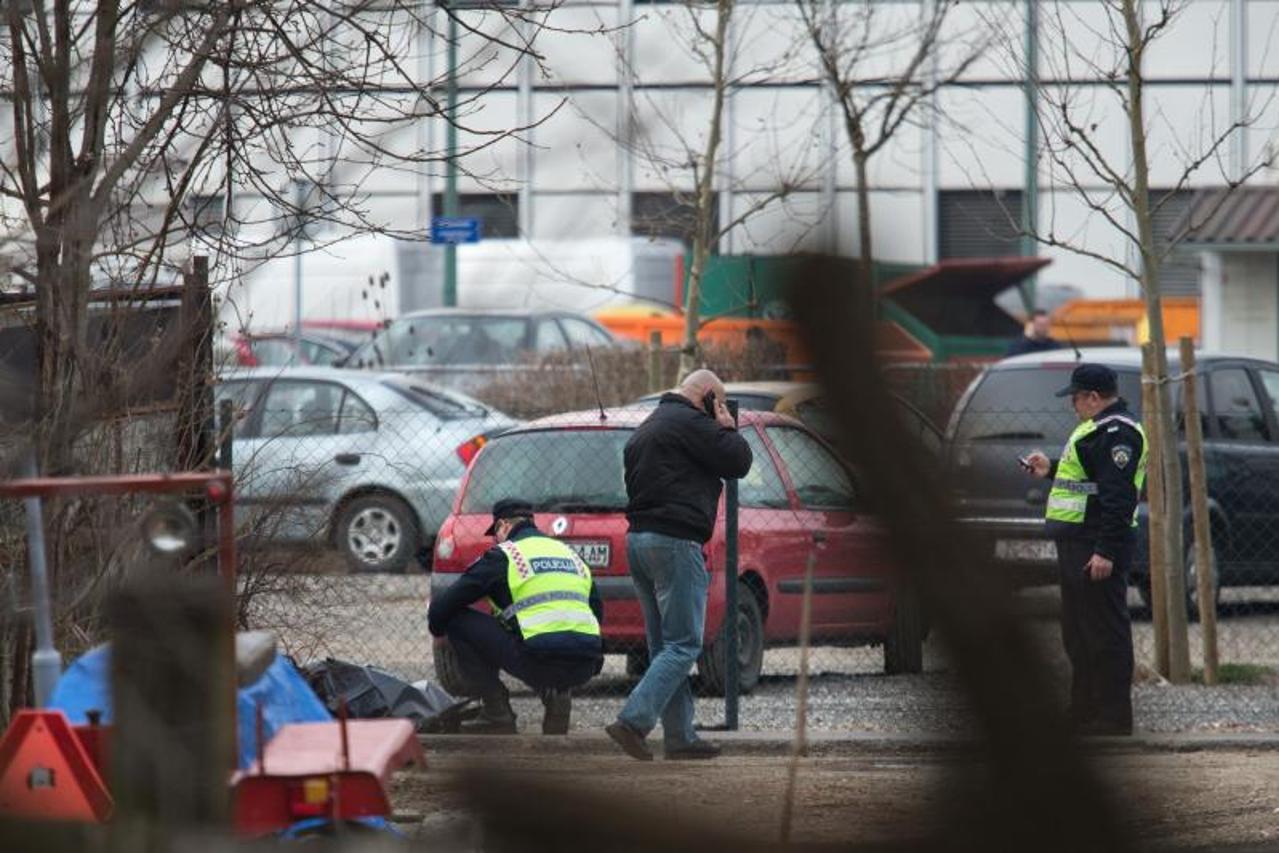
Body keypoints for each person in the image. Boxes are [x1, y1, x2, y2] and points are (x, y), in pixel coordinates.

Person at [605, 369, 753, 761]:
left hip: (638, 542)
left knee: (663, 647)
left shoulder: (648, 428)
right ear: (707, 398)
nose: (717, 411)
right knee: (685, 643)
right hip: (674, 542)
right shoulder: (693, 424)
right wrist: (726, 428)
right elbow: (739, 462)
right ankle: (633, 721)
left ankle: (680, 737)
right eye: (717, 403)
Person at [1023, 363, 1147, 736]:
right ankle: (1084, 710)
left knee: (1103, 632)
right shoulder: (1096, 430)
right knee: (1078, 632)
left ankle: (1111, 717)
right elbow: (1091, 480)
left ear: (1093, 397)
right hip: (1078, 543)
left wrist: (1106, 551)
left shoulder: (1117, 433)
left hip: (1095, 545)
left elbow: (1118, 498)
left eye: (1075, 398)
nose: (1072, 405)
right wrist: (1051, 470)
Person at [427, 498, 604, 735]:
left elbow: (443, 607)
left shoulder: (505, 555)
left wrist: (439, 631)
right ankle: (556, 693)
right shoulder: (570, 554)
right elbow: (597, 611)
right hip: (585, 665)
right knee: (536, 635)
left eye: (495, 533)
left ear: (504, 526)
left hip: (538, 663)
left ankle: (496, 711)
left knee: (457, 619)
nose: (495, 539)